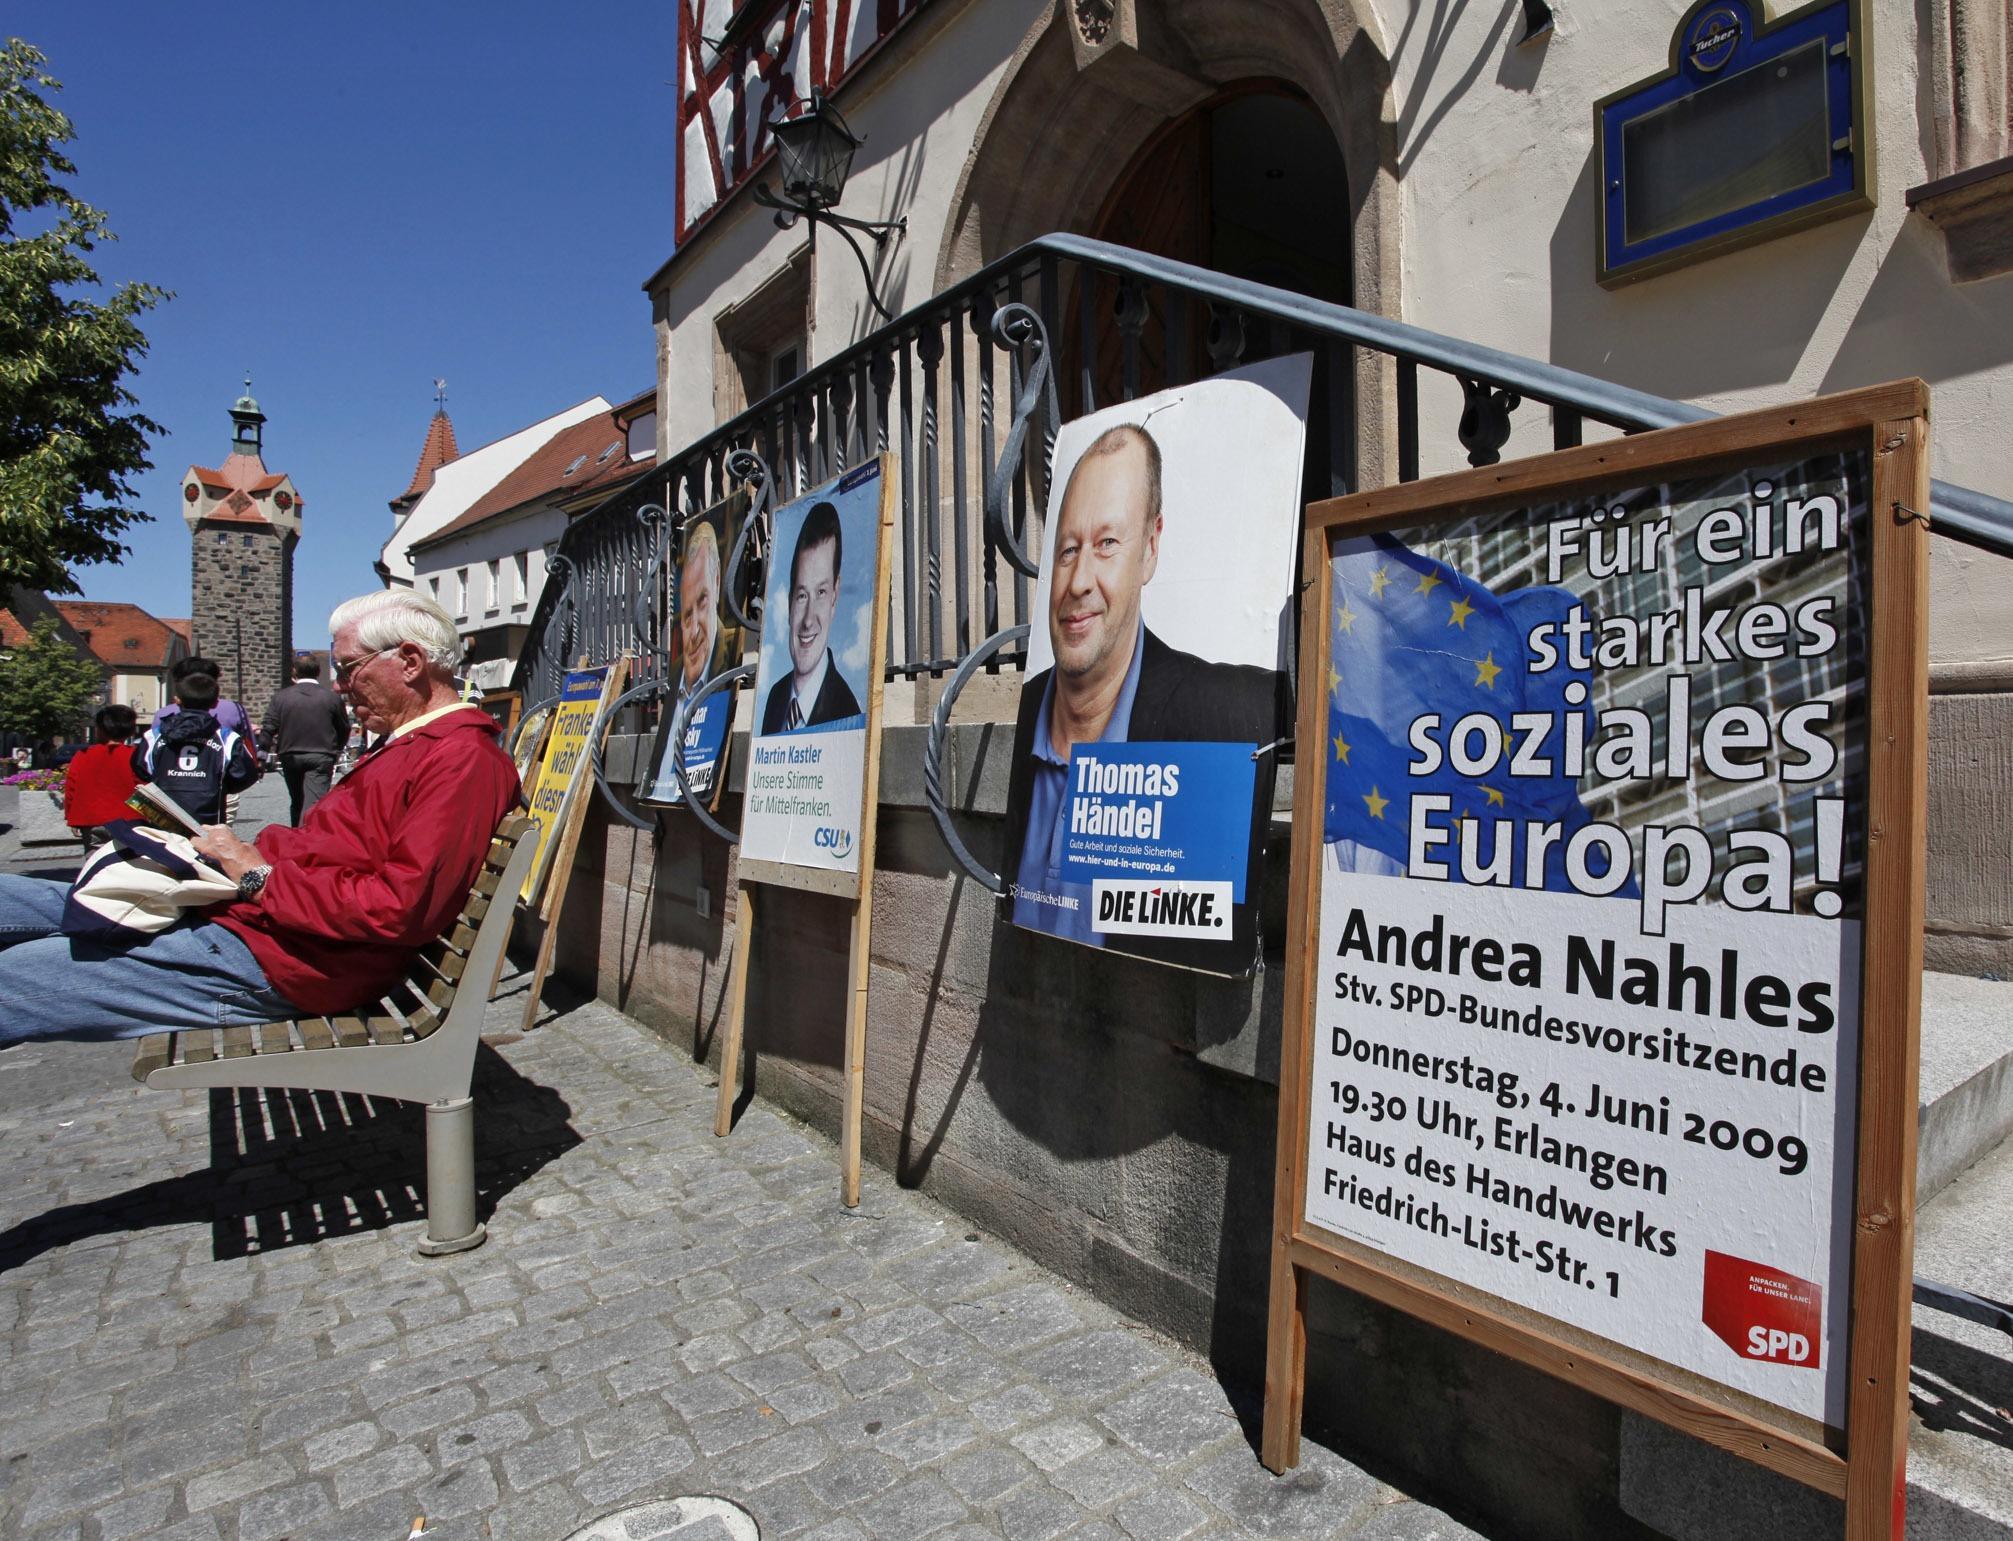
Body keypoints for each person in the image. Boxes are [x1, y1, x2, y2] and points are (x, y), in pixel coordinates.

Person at [0, 591, 520, 1046]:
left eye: (347, 668)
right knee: (22, 897)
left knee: (12, 982)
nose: (338, 686)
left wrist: (254, 875)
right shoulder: (413, 746)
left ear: (409, 661)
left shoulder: (458, 758)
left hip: (285, 957)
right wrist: (227, 858)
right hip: (260, 927)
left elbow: (397, 908)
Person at [1002, 422, 1280, 963]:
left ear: (1150, 549)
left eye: (1107, 544)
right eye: (1066, 550)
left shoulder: (1226, 718)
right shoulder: (1029, 713)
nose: (1078, 580)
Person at [760, 500, 862, 734]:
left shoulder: (846, 710)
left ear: (835, 596)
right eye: (802, 595)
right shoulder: (775, 697)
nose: (807, 620)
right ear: (789, 602)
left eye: (821, 593)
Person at [132, 670, 261, 826]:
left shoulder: (154, 737)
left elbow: (140, 768)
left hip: (163, 817)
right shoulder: (226, 739)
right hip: (208, 818)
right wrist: (220, 787)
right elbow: (245, 774)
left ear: (177, 700)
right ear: (215, 703)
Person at [264, 653, 349, 825]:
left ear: (294, 672)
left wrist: (262, 751)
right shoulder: (331, 698)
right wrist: (337, 749)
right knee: (314, 802)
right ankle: (308, 838)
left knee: (297, 800)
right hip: (321, 754)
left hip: (290, 753)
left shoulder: (281, 697)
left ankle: (296, 835)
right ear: (318, 671)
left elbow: (269, 726)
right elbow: (344, 727)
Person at [62, 705, 142, 849]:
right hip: (131, 819)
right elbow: (143, 787)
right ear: (131, 731)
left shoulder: (83, 756)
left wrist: (72, 817)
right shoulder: (136, 755)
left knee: (97, 863)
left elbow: (71, 790)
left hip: (93, 819)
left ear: (100, 729)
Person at [678, 520, 723, 705]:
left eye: (702, 601)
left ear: (717, 582)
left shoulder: (730, 660)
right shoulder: (675, 673)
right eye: (687, 615)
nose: (695, 631)